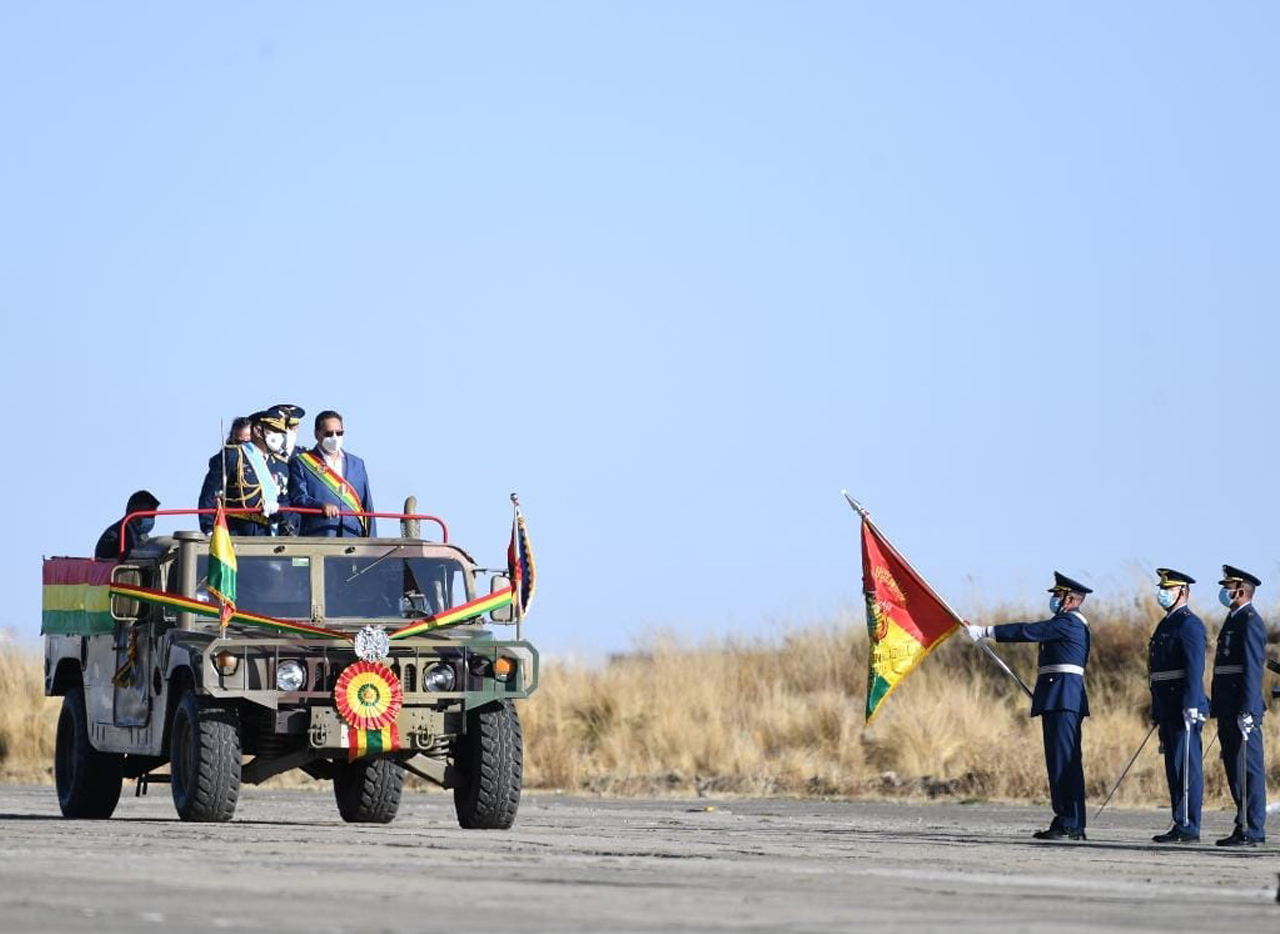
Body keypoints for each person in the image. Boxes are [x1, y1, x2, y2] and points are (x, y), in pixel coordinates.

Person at [966, 572, 1091, 841]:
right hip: (1058, 698)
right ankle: (1068, 820)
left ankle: (1070, 823)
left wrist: (988, 631)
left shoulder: (1068, 623)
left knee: (1063, 763)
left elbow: (1029, 630)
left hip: (1063, 699)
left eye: (1057, 596)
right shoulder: (1066, 623)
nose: (1054, 600)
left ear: (1070, 599)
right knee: (1061, 762)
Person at [1147, 568, 1207, 843]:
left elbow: (1195, 668)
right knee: (1174, 768)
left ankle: (1188, 826)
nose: (1163, 592)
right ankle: (1179, 821)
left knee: (1186, 768)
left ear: (1183, 592)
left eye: (1169, 588)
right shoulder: (1166, 623)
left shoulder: (1189, 624)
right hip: (1168, 706)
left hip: (1184, 707)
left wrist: (1192, 704)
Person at [1210, 565, 1268, 847]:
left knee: (1249, 769)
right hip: (1227, 706)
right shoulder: (1233, 620)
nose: (1224, 591)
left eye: (1229, 587)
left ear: (1242, 591)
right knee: (1234, 768)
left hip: (1242, 709)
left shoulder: (1250, 621)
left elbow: (1252, 670)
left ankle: (1254, 829)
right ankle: (1242, 823)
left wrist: (1248, 709)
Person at [197, 409, 289, 535]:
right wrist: (209, 529)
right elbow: (209, 495)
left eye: (280, 432)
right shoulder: (233, 455)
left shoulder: (281, 464)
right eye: (273, 430)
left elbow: (285, 499)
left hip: (269, 531)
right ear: (257, 430)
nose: (278, 436)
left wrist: (279, 508)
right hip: (238, 530)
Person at [289, 409, 375, 537]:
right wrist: (320, 506)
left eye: (339, 433)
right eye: (329, 433)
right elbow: (298, 498)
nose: (335, 437)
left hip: (353, 534)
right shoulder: (302, 462)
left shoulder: (357, 463)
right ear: (317, 434)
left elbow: (367, 504)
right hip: (320, 534)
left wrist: (373, 541)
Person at [268, 404, 305, 535]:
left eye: (292, 427)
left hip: (301, 530)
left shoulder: (307, 459)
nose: (287, 432)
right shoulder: (262, 458)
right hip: (267, 528)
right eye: (283, 427)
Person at [95, 490, 160, 559]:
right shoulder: (113, 535)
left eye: (153, 516)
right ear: (133, 512)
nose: (151, 519)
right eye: (148, 515)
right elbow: (103, 562)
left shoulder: (143, 536)